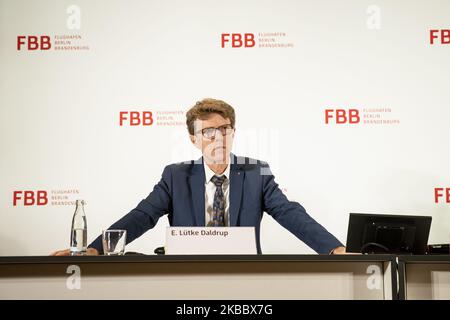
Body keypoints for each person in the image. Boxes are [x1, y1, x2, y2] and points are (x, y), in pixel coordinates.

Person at [52, 98, 346, 256]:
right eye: (207, 131)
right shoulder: (176, 175)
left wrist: (334, 249)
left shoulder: (257, 171)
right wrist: (94, 249)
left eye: (224, 129)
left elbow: (290, 213)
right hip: (186, 275)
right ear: (194, 139)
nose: (217, 137)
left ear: (233, 132)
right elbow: (142, 216)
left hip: (247, 278)